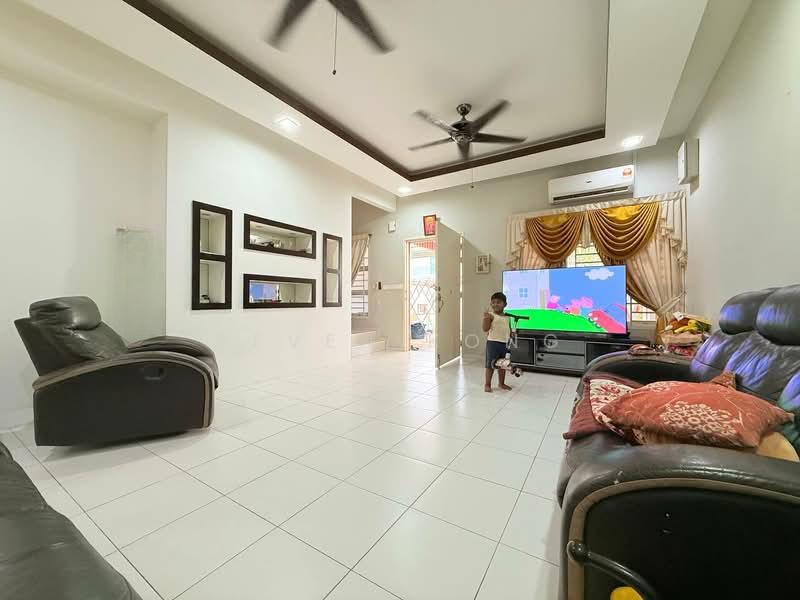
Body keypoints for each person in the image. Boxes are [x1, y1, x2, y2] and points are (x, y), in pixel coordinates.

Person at [483, 292, 512, 392]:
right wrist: (486, 318)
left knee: (503, 364)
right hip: (493, 343)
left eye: (498, 302)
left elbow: (508, 329)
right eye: (493, 302)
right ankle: (487, 384)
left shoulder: (507, 317)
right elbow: (485, 329)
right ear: (491, 304)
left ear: (505, 304)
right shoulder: (491, 315)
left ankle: (501, 383)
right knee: (490, 365)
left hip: (505, 344)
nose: (495, 304)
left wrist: (512, 334)